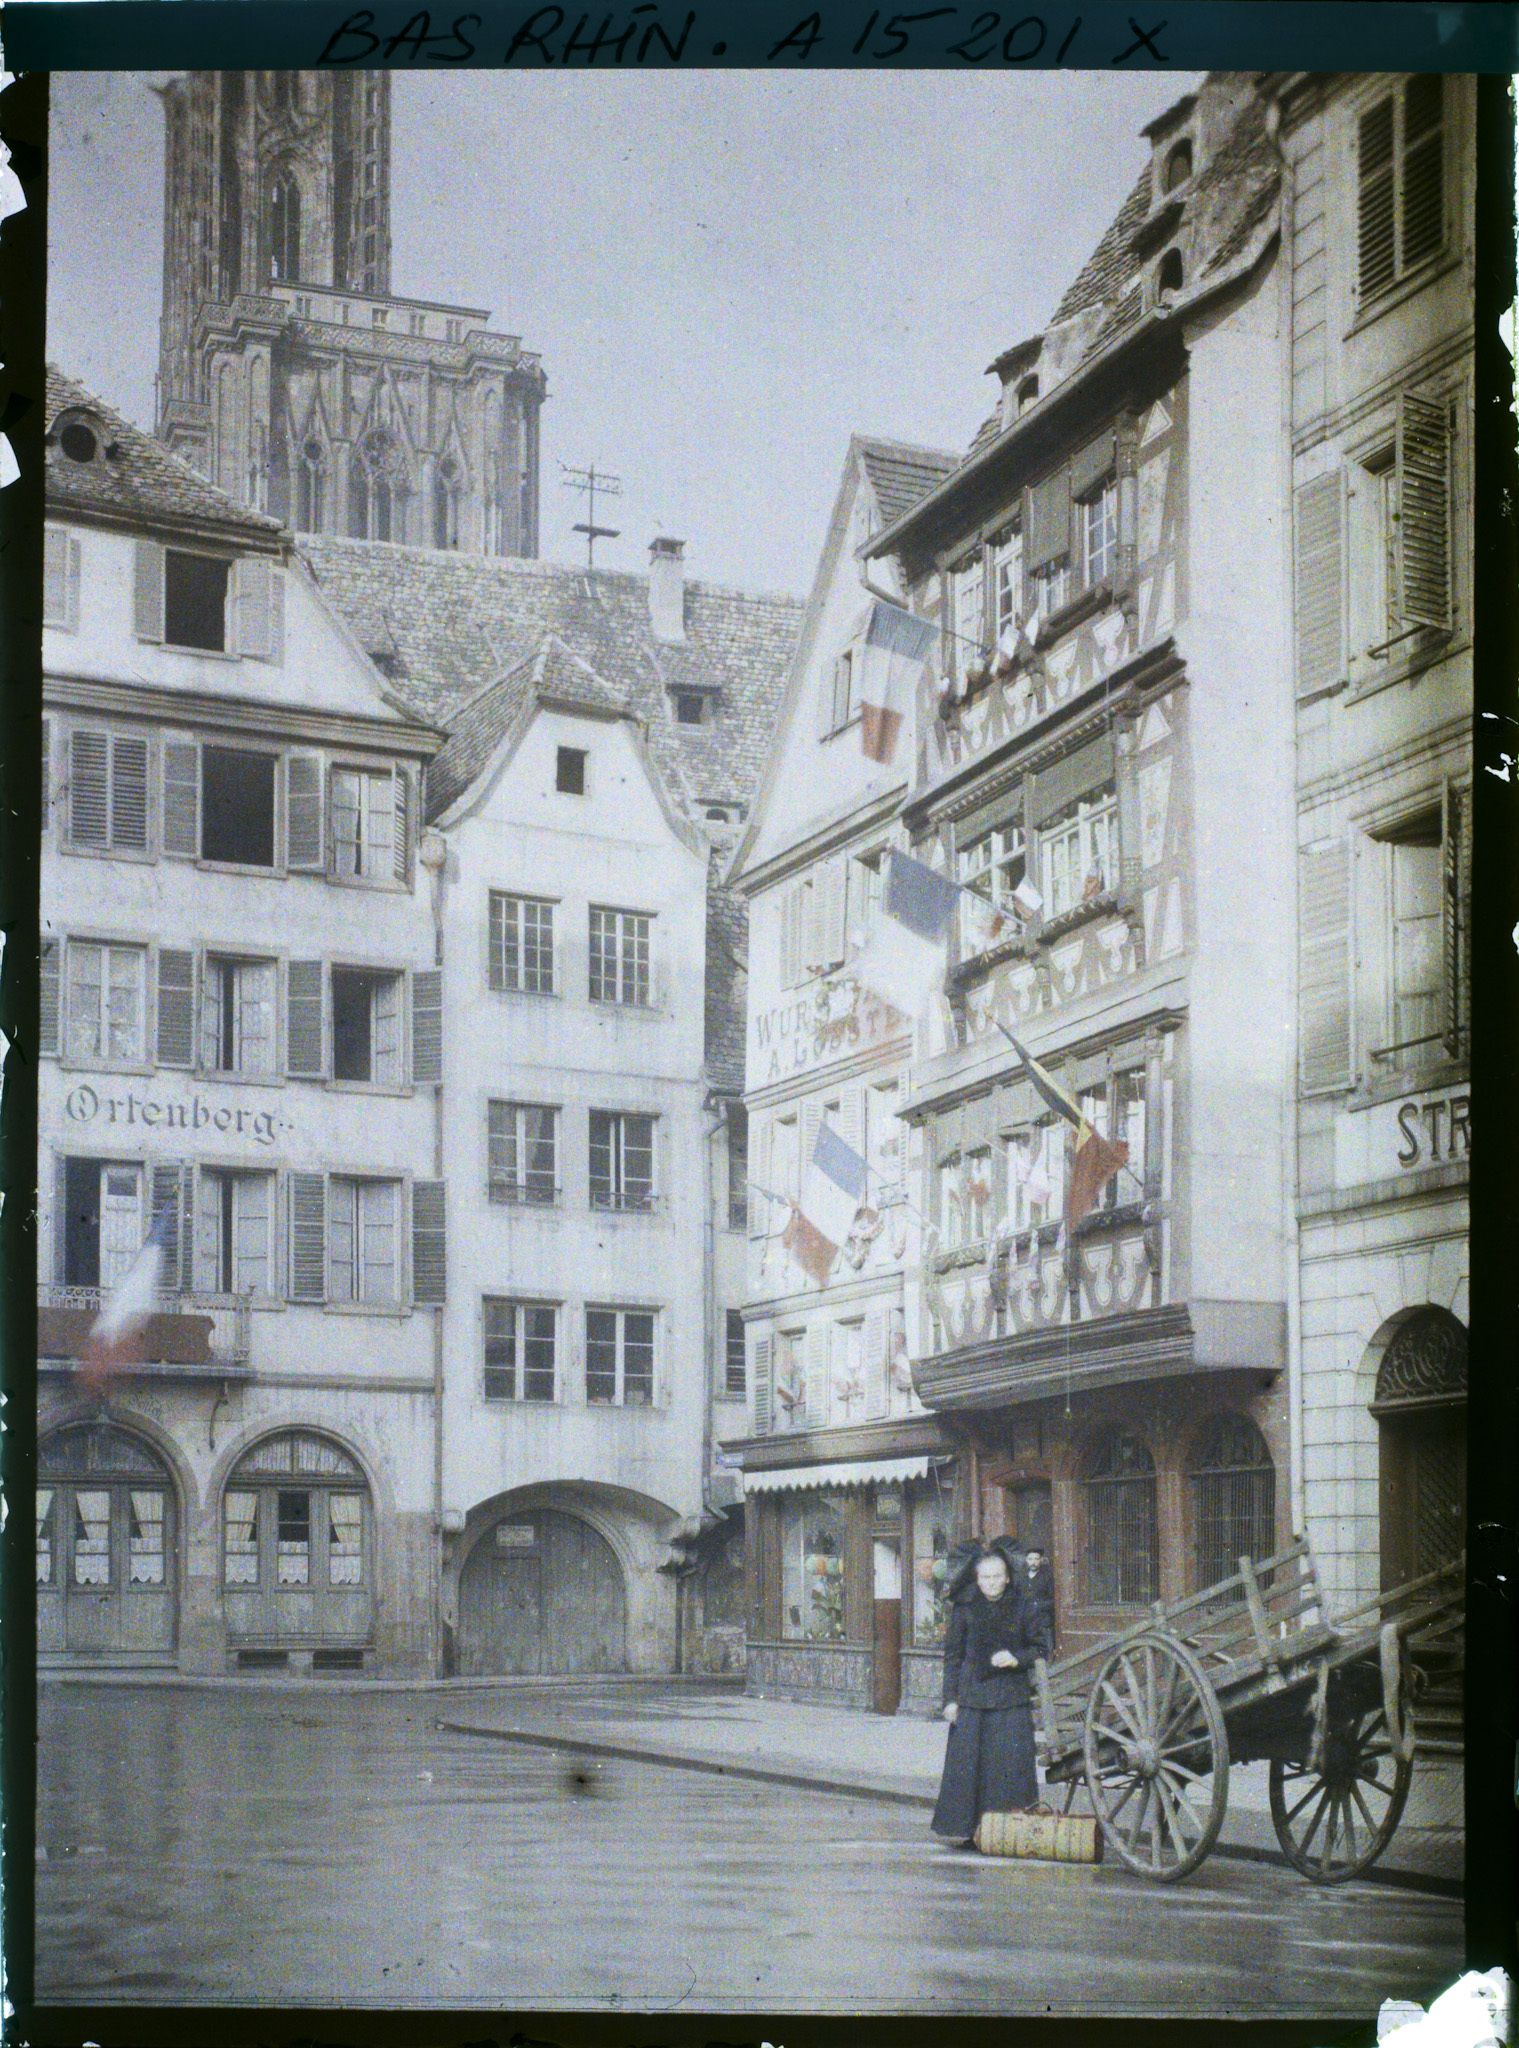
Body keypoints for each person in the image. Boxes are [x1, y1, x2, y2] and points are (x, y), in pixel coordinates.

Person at [930, 1542, 1043, 1847]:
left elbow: (1041, 1648)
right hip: (972, 1698)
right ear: (977, 1580)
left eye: (997, 1577)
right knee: (971, 1769)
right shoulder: (965, 1608)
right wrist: (950, 1701)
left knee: (1008, 1767)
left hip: (1011, 1700)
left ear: (1007, 1577)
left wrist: (1016, 1658)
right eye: (986, 1578)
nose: (992, 1583)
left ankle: (1011, 1833)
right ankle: (970, 1831)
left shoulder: (1023, 1606)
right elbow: (953, 1657)